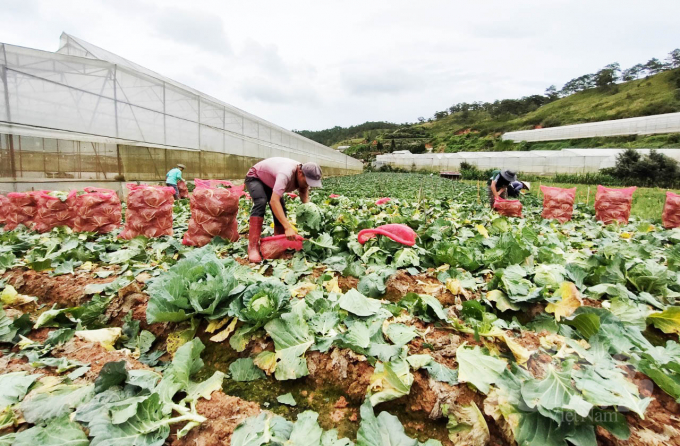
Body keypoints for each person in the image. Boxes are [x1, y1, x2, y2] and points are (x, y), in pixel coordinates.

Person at [245, 157, 323, 263]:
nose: (308, 184)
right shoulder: (285, 174)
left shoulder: (303, 178)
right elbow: (274, 201)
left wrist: (312, 213)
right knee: (261, 202)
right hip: (256, 177)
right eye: (308, 181)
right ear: (300, 173)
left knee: (281, 207)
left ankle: (278, 244)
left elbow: (304, 195)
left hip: (271, 181)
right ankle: (253, 247)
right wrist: (288, 227)